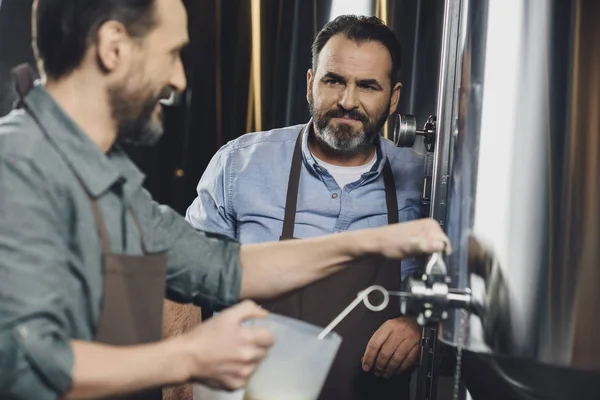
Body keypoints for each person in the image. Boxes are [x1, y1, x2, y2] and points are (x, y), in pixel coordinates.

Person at [0, 2, 450, 400]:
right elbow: (24, 362)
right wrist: (185, 359)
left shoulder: (107, 179)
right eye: (172, 52)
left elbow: (215, 267)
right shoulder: (17, 165)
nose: (178, 78)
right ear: (114, 45)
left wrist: (369, 244)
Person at [185, 15, 428, 400]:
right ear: (310, 83)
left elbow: (460, 302)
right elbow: (181, 287)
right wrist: (180, 394)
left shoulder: (423, 182)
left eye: (367, 86)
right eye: (334, 81)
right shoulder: (240, 166)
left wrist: (420, 327)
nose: (348, 101)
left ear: (393, 98)